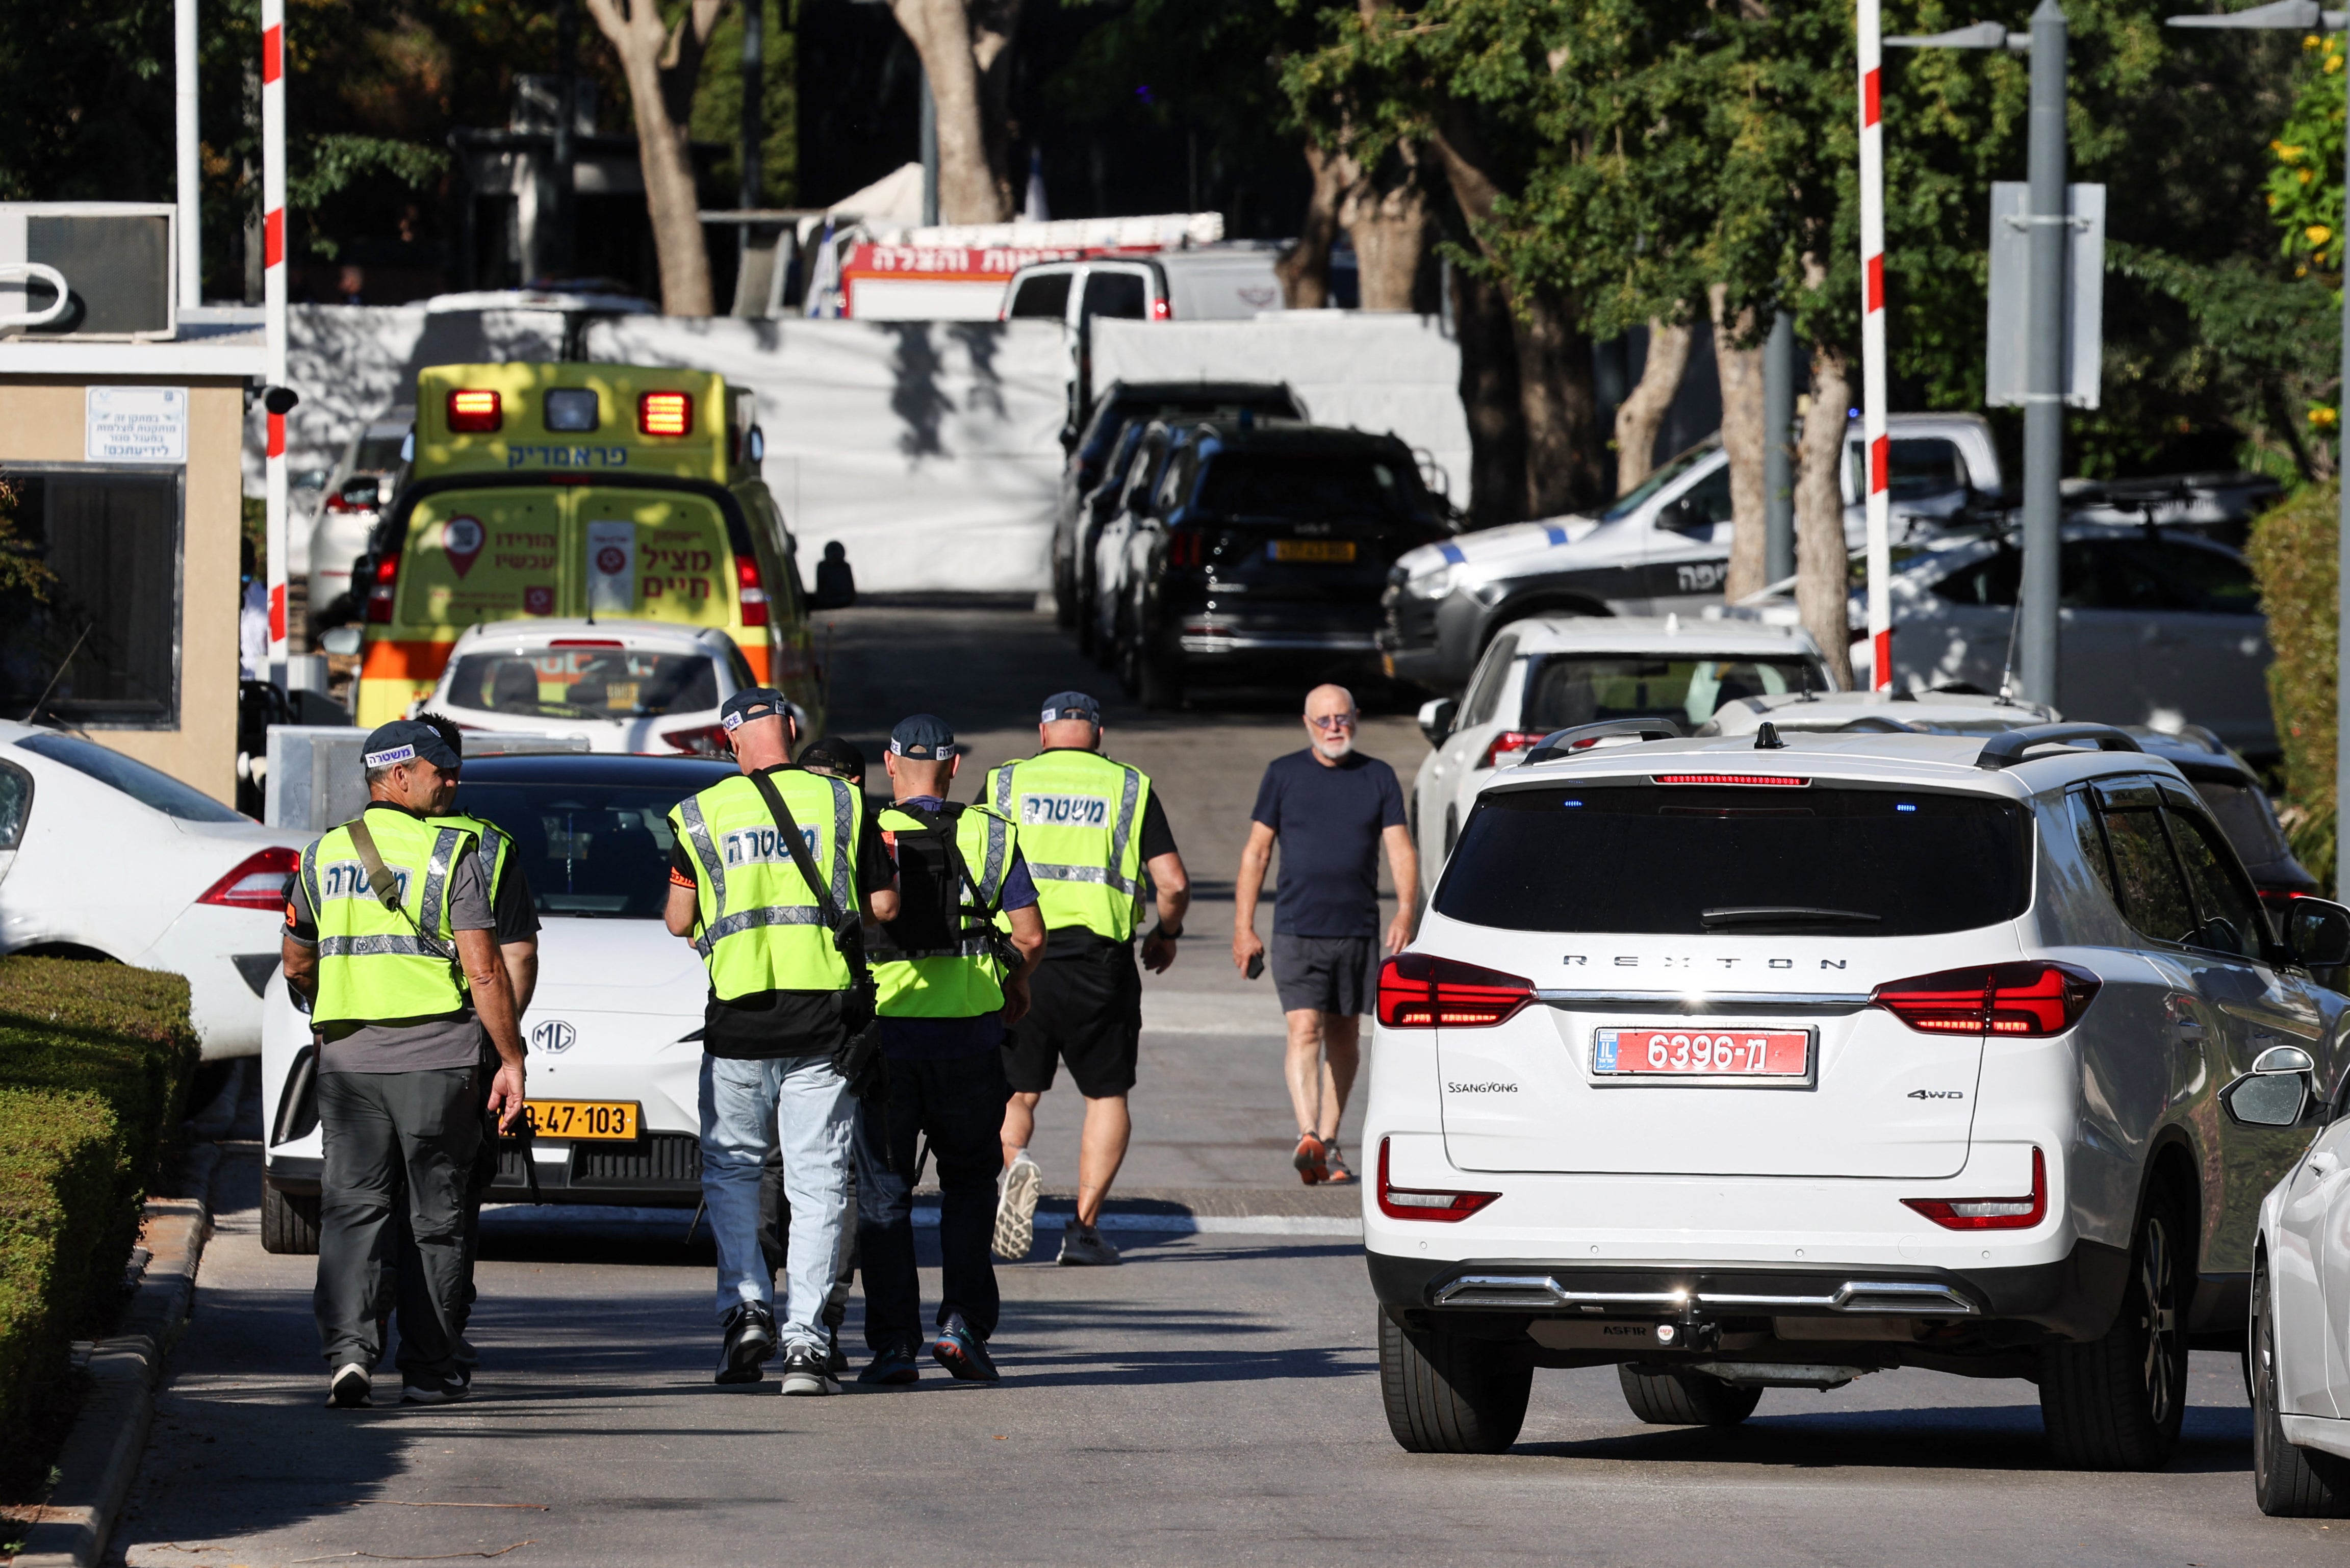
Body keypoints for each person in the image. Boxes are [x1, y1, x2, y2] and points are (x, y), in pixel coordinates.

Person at [279, 719, 527, 1408]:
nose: (451, 781)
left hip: (349, 1063)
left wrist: (332, 1006)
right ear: (392, 775)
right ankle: (427, 1368)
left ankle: (349, 1354)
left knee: (353, 1210)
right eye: (437, 770)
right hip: (438, 1063)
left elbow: (297, 958)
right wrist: (510, 1057)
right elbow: (484, 971)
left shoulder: (321, 853)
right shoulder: (457, 852)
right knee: (437, 1218)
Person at [663, 689, 898, 1396]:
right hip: (824, 1025)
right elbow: (884, 905)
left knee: (734, 1172)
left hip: (738, 1024)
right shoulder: (845, 804)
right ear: (793, 732)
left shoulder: (699, 814)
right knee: (819, 1180)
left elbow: (678, 919)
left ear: (731, 742)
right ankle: (806, 1344)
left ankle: (746, 1310)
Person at [855, 715, 1045, 1384]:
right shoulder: (991, 832)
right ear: (955, 765)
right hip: (969, 1038)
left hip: (885, 1040)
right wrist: (1014, 986)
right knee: (968, 1186)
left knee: (883, 1195)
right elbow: (1030, 933)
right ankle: (963, 1324)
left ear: (889, 762)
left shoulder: (867, 831)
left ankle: (892, 1345)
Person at [980, 691, 1188, 1267]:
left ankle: (1014, 1161)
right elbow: (1170, 882)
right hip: (1102, 964)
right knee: (1106, 1093)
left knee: (1018, 1089)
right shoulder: (1128, 787)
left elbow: (972, 860)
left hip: (1023, 958)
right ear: (1098, 735)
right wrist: (1166, 933)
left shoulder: (1006, 783)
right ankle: (1084, 1229)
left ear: (1043, 733)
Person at [395, 712, 541, 1393]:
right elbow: (516, 957)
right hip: (458, 1049)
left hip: (359, 1054)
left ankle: (356, 1343)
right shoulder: (487, 845)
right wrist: (503, 1043)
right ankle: (439, 1333)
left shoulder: (347, 842)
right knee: (448, 1199)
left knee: (367, 1197)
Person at [1233, 684, 1417, 1186]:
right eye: (1324, 720)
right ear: (1307, 724)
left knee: (1343, 1033)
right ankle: (1307, 1133)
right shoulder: (1283, 775)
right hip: (1297, 928)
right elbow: (1257, 852)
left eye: (1343, 717)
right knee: (1304, 1029)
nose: (1335, 727)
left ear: (1356, 718)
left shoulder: (1377, 776)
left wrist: (1405, 912)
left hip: (1356, 929)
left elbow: (1400, 850)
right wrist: (1243, 927)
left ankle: (1330, 1142)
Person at [757, 732, 867, 1373]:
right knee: (833, 1178)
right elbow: (884, 906)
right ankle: (820, 1316)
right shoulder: (857, 826)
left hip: (759, 1020)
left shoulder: (765, 826)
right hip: (838, 1027)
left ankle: (753, 1311)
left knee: (764, 1169)